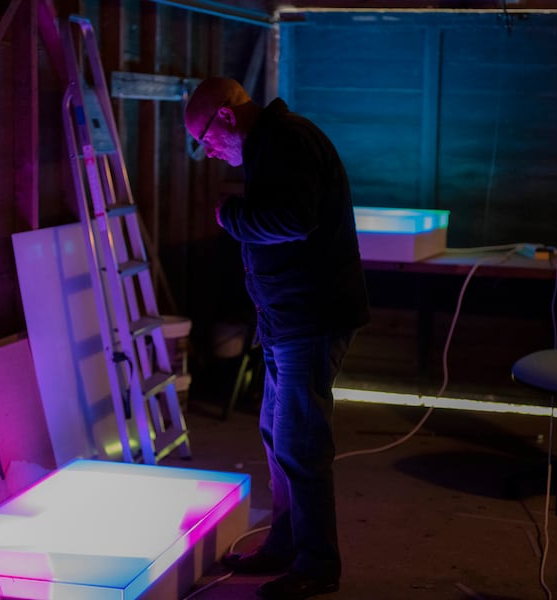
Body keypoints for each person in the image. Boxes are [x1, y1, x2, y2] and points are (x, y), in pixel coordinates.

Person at [184, 77, 370, 600]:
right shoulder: (270, 146)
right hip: (288, 320)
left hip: (309, 319)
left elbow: (294, 220)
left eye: (205, 138)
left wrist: (232, 216)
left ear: (224, 116)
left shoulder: (286, 140)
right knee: (278, 435)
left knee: (301, 443)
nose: (209, 151)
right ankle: (286, 545)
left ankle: (317, 564)